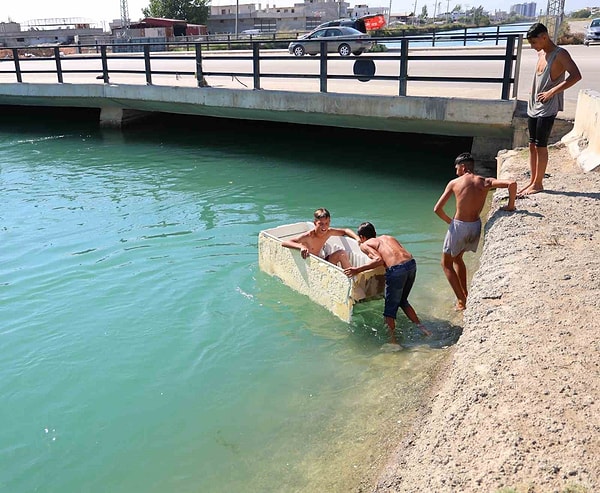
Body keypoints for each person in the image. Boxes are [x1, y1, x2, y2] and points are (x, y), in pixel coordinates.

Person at [434, 152, 517, 311]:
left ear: (463, 167)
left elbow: (437, 209)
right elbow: (512, 183)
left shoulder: (454, 183)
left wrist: (450, 222)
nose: (455, 170)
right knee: (458, 259)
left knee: (445, 264)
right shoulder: (485, 181)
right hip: (475, 226)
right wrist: (510, 205)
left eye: (456, 167)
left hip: (459, 226)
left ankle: (461, 301)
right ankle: (465, 292)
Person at [519, 22, 582, 197]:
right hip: (534, 104)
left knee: (541, 146)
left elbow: (576, 76)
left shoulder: (560, 54)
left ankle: (538, 184)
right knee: (531, 144)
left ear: (544, 37)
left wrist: (552, 92)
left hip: (548, 107)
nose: (532, 46)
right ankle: (532, 180)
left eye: (534, 42)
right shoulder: (541, 52)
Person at [343, 222, 430, 344]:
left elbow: (378, 260)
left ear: (362, 237)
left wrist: (357, 270)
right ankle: (424, 330)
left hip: (396, 270)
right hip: (411, 264)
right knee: (402, 301)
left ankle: (392, 341)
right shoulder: (388, 237)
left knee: (389, 310)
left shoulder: (365, 244)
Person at [282, 208, 359, 269]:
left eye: (326, 223)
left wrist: (357, 238)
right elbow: (285, 243)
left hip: (322, 263)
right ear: (315, 223)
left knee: (341, 253)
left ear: (329, 222)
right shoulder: (308, 236)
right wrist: (301, 247)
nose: (324, 227)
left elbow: (345, 231)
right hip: (310, 265)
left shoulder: (328, 232)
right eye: (321, 224)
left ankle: (352, 278)